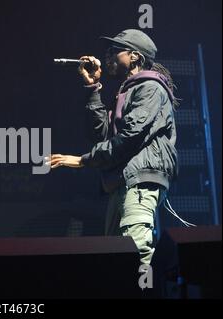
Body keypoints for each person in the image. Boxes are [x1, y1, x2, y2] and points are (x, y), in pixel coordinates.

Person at [46, 29, 179, 265]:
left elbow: (129, 137)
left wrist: (83, 160)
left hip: (138, 180)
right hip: (122, 181)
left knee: (136, 252)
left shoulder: (150, 89)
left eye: (115, 51)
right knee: (117, 254)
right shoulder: (127, 92)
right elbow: (102, 135)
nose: (107, 56)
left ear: (135, 57)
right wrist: (93, 88)